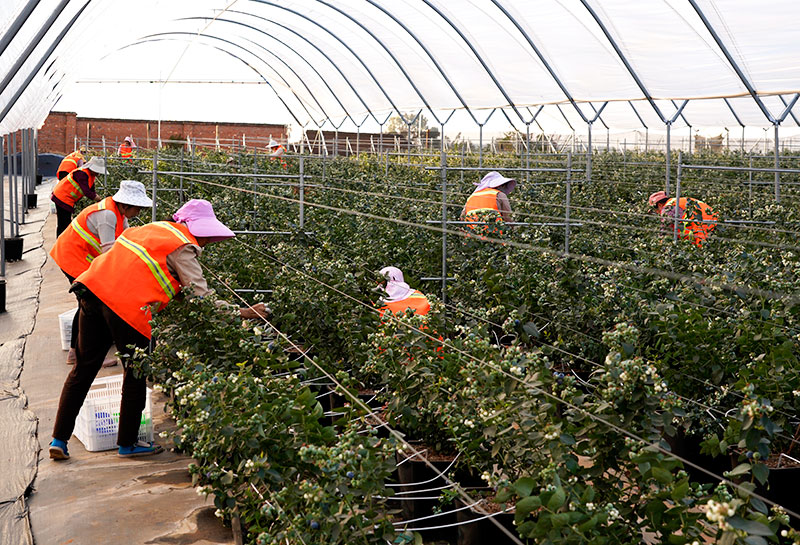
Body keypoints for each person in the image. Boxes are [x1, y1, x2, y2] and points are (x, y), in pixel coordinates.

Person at [48, 199, 269, 460]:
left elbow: (144, 269)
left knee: (83, 369)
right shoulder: (182, 247)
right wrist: (243, 313)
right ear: (201, 230)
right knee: (136, 371)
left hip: (92, 292)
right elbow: (201, 298)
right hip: (126, 306)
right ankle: (127, 443)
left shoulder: (153, 229)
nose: (209, 243)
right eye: (209, 237)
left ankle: (59, 440)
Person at [50, 180, 152, 365]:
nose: (139, 212)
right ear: (126, 204)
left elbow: (126, 243)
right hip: (72, 258)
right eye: (138, 208)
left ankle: (80, 350)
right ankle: (83, 353)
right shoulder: (107, 216)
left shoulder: (120, 214)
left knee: (92, 301)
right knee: (89, 302)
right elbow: (109, 254)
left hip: (84, 258)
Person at [51, 156, 107, 237]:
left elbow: (92, 189)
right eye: (98, 171)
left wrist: (97, 198)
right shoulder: (81, 174)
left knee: (66, 222)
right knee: (64, 223)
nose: (98, 174)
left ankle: (64, 240)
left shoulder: (91, 176)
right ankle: (61, 242)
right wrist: (97, 198)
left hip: (68, 198)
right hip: (62, 197)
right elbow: (87, 191)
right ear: (92, 168)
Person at [648, 191, 718, 247]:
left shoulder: (668, 208)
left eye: (655, 210)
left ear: (659, 205)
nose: (657, 213)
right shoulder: (678, 201)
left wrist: (660, 243)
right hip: (716, 223)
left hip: (702, 229)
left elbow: (666, 228)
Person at [461, 171, 517, 236]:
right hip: (493, 237)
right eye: (504, 185)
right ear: (499, 185)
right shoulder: (499, 195)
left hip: (472, 238)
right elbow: (508, 218)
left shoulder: (472, 196)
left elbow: (462, 217)